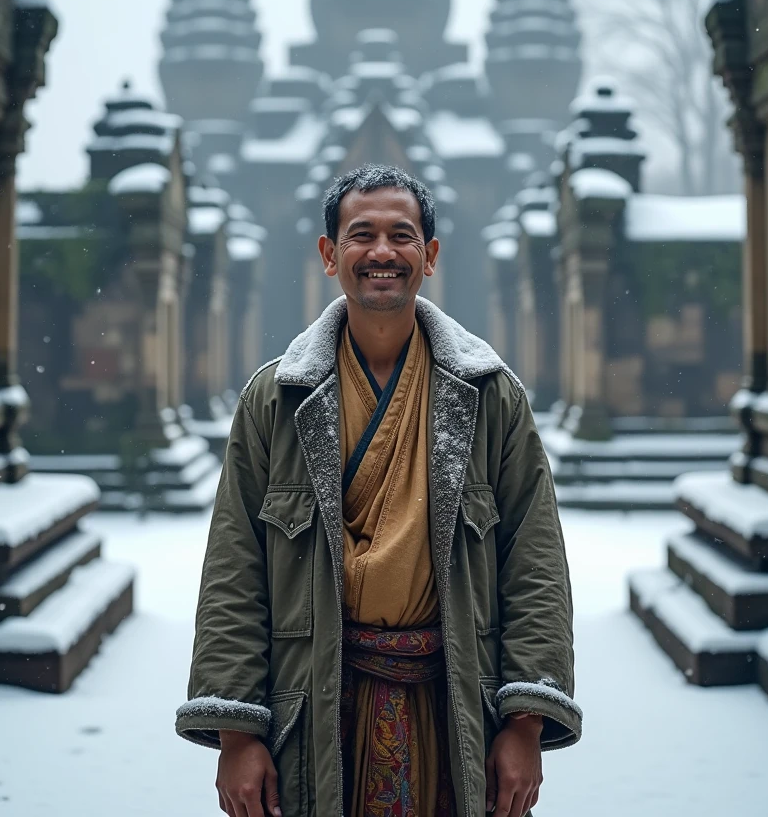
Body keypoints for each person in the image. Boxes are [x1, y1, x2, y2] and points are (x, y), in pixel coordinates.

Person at [176, 166, 581, 817]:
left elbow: (533, 564)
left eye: (403, 234)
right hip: (313, 705)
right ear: (329, 254)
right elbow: (235, 569)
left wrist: (528, 722)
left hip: (454, 703)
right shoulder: (275, 399)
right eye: (361, 235)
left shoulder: (489, 395)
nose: (383, 252)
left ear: (432, 255)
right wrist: (236, 731)